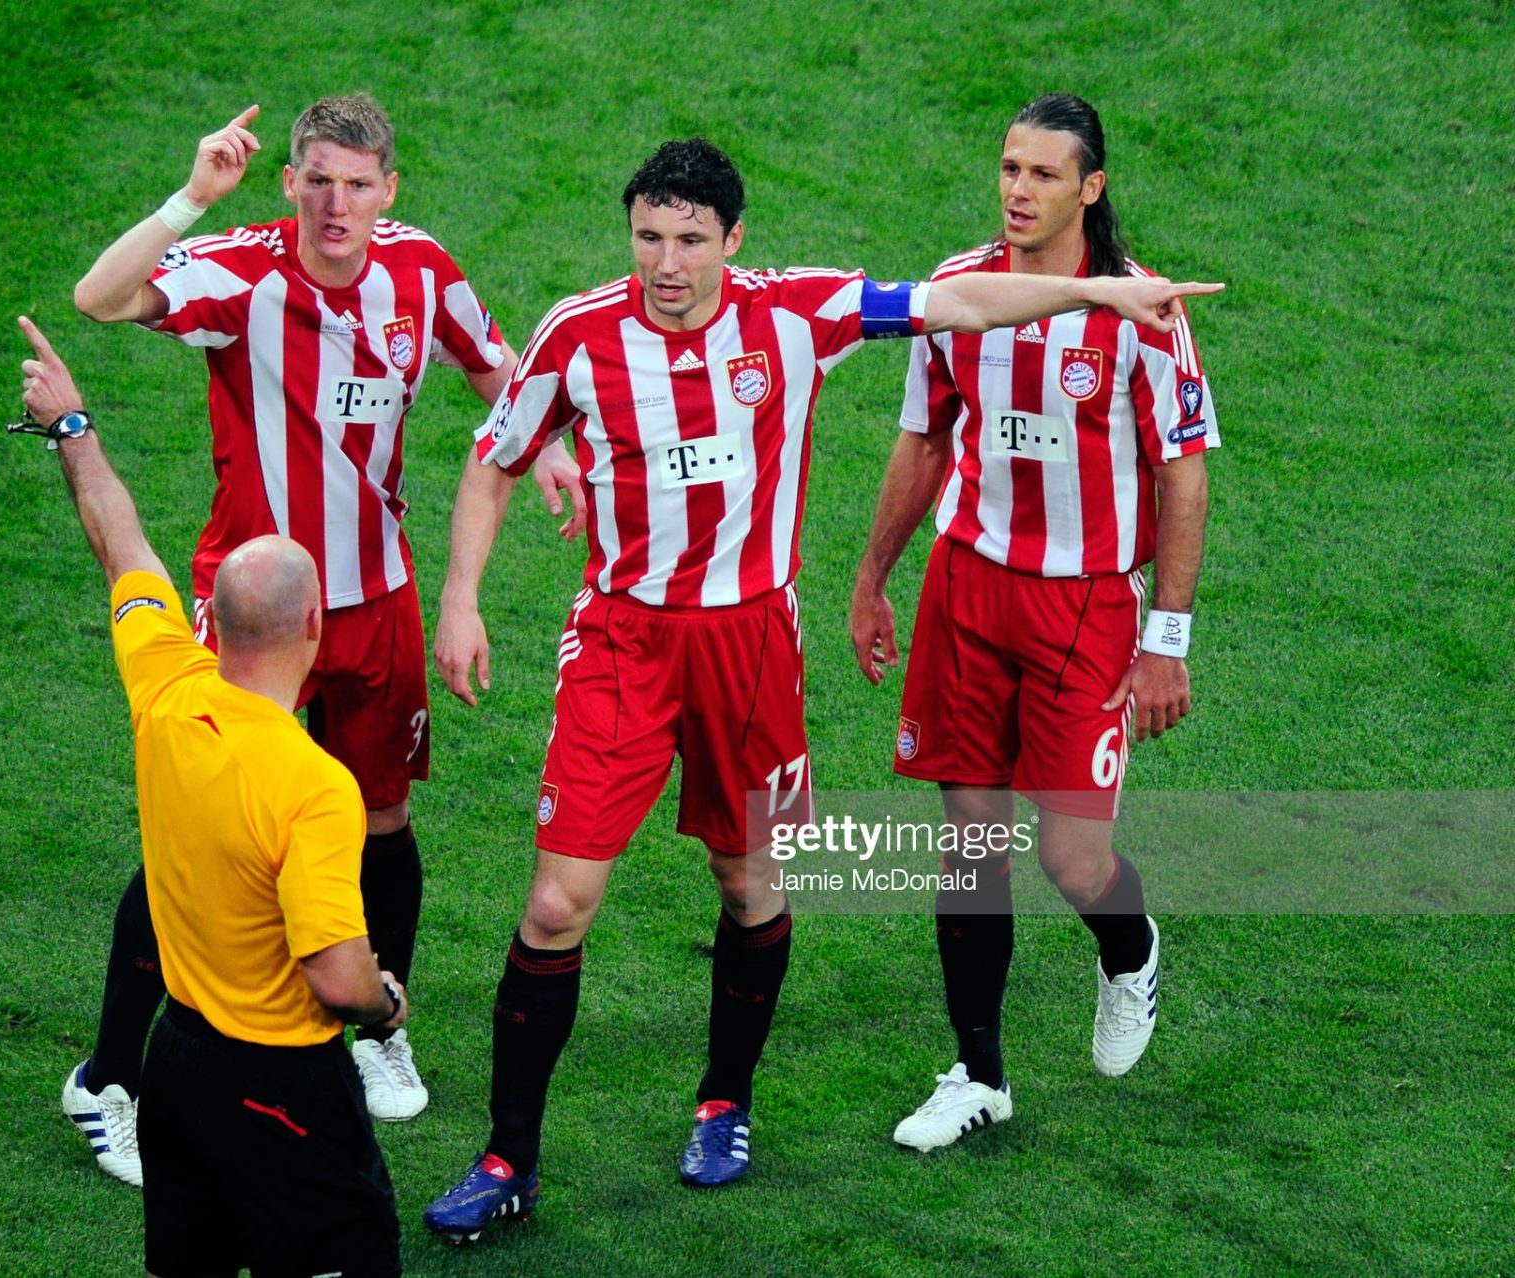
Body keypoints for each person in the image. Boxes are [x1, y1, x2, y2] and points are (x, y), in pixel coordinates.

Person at [422, 136, 1222, 1240]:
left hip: (754, 648)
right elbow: (494, 456)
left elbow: (954, 305)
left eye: (690, 240)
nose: (666, 263)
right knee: (557, 902)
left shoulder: (793, 313)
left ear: (732, 239)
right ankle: (508, 1156)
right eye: (649, 238)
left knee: (750, 882)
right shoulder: (578, 332)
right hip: (621, 642)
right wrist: (460, 597)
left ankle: (724, 1103)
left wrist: (1094, 291)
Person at [61, 94, 585, 1167]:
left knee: (382, 818)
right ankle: (108, 1077)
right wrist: (191, 197)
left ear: (389, 190)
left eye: (357, 184)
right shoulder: (239, 273)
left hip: (375, 599)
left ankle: (378, 1028)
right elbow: (98, 297)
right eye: (317, 181)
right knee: (201, 835)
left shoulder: (422, 270)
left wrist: (545, 446)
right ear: (288, 183)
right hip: (257, 608)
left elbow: (494, 364)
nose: (336, 204)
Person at [849, 93, 1219, 1152]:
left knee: (1072, 858)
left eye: (1044, 174)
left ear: (1090, 187)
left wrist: (1166, 640)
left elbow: (1183, 477)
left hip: (1084, 606)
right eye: (1010, 168)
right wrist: (873, 577)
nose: (1019, 190)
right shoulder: (960, 293)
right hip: (967, 590)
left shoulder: (1143, 310)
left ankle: (1130, 948)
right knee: (969, 845)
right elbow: (924, 440)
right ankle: (978, 1074)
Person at [12, 315, 409, 1277]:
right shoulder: (315, 784)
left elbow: (121, 543)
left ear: (215, 623)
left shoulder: (164, 687)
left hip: (177, 1067)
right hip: (285, 1087)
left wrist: (73, 428)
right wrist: (386, 1005)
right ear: (314, 625)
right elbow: (336, 979)